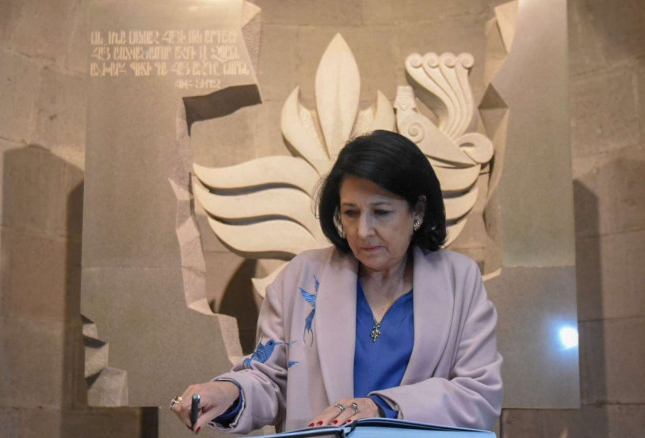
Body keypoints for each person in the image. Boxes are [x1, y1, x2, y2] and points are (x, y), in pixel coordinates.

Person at [171, 130, 503, 433]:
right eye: (351, 213)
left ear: (417, 210)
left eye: (381, 212)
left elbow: (478, 395)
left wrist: (379, 408)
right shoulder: (302, 276)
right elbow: (268, 378)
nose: (363, 231)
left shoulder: (460, 280)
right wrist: (229, 392)